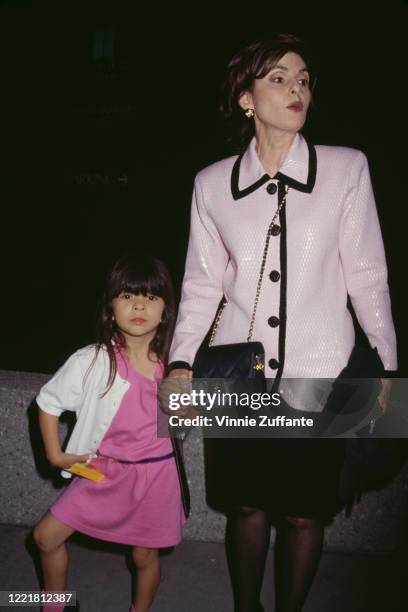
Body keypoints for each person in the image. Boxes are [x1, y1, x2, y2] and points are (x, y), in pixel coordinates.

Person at [166, 34, 397, 612]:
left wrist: (388, 365)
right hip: (238, 375)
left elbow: (367, 273)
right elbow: (200, 284)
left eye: (304, 79)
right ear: (246, 98)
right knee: (245, 506)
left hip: (321, 370)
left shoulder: (345, 169)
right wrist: (179, 361)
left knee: (302, 511)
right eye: (278, 78)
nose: (297, 89)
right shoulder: (211, 184)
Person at [33, 254, 189, 612]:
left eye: (151, 297)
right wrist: (55, 454)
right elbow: (48, 402)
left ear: (166, 310)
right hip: (102, 470)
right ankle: (55, 606)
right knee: (44, 537)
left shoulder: (175, 365)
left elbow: (185, 424)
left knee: (144, 556)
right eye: (127, 295)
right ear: (110, 307)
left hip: (156, 476)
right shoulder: (91, 359)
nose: (138, 304)